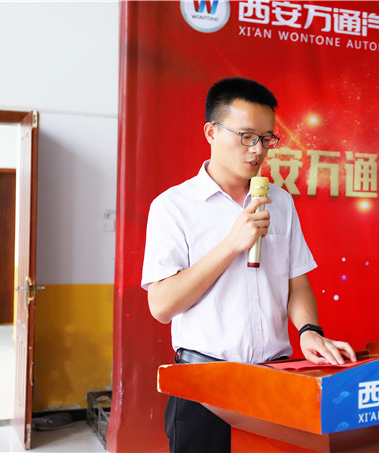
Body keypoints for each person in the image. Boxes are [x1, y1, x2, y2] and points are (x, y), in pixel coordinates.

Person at [141, 77, 357, 453]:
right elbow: (161, 306)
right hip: (204, 382)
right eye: (246, 137)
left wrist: (309, 331)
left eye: (266, 138)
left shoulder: (280, 201)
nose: (257, 150)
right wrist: (231, 245)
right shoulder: (173, 207)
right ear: (211, 132)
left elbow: (296, 283)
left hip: (275, 378)